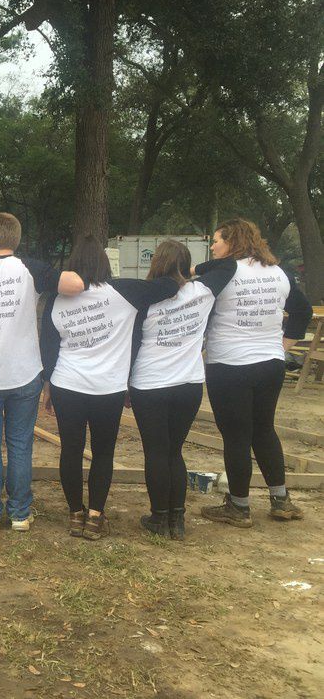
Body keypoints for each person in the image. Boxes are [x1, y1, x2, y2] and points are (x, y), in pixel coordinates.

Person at [0, 212, 85, 532]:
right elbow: (76, 284)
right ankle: (20, 513)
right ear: (17, 239)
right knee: (20, 444)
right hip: (25, 374)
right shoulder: (31, 269)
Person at [40, 235, 179, 540]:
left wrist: (47, 383)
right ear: (105, 262)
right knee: (103, 453)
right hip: (109, 389)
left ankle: (75, 514)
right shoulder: (126, 292)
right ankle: (94, 517)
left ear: (73, 265)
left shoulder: (56, 299)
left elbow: (48, 345)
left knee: (71, 451)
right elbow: (170, 286)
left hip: (67, 384)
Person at [197, 219, 312, 527]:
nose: (213, 247)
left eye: (217, 241)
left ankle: (239, 506)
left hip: (230, 365)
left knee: (236, 435)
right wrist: (282, 346)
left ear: (231, 242)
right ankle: (281, 499)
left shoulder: (224, 273)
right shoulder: (278, 272)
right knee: (263, 429)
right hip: (270, 364)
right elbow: (303, 311)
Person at [128, 241, 236, 539]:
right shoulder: (202, 291)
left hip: (150, 383)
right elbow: (229, 264)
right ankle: (177, 520)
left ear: (156, 263)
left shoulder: (145, 298)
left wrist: (125, 384)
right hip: (189, 384)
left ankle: (158, 518)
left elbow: (132, 345)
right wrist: (191, 271)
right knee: (174, 451)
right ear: (185, 263)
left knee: (156, 452)